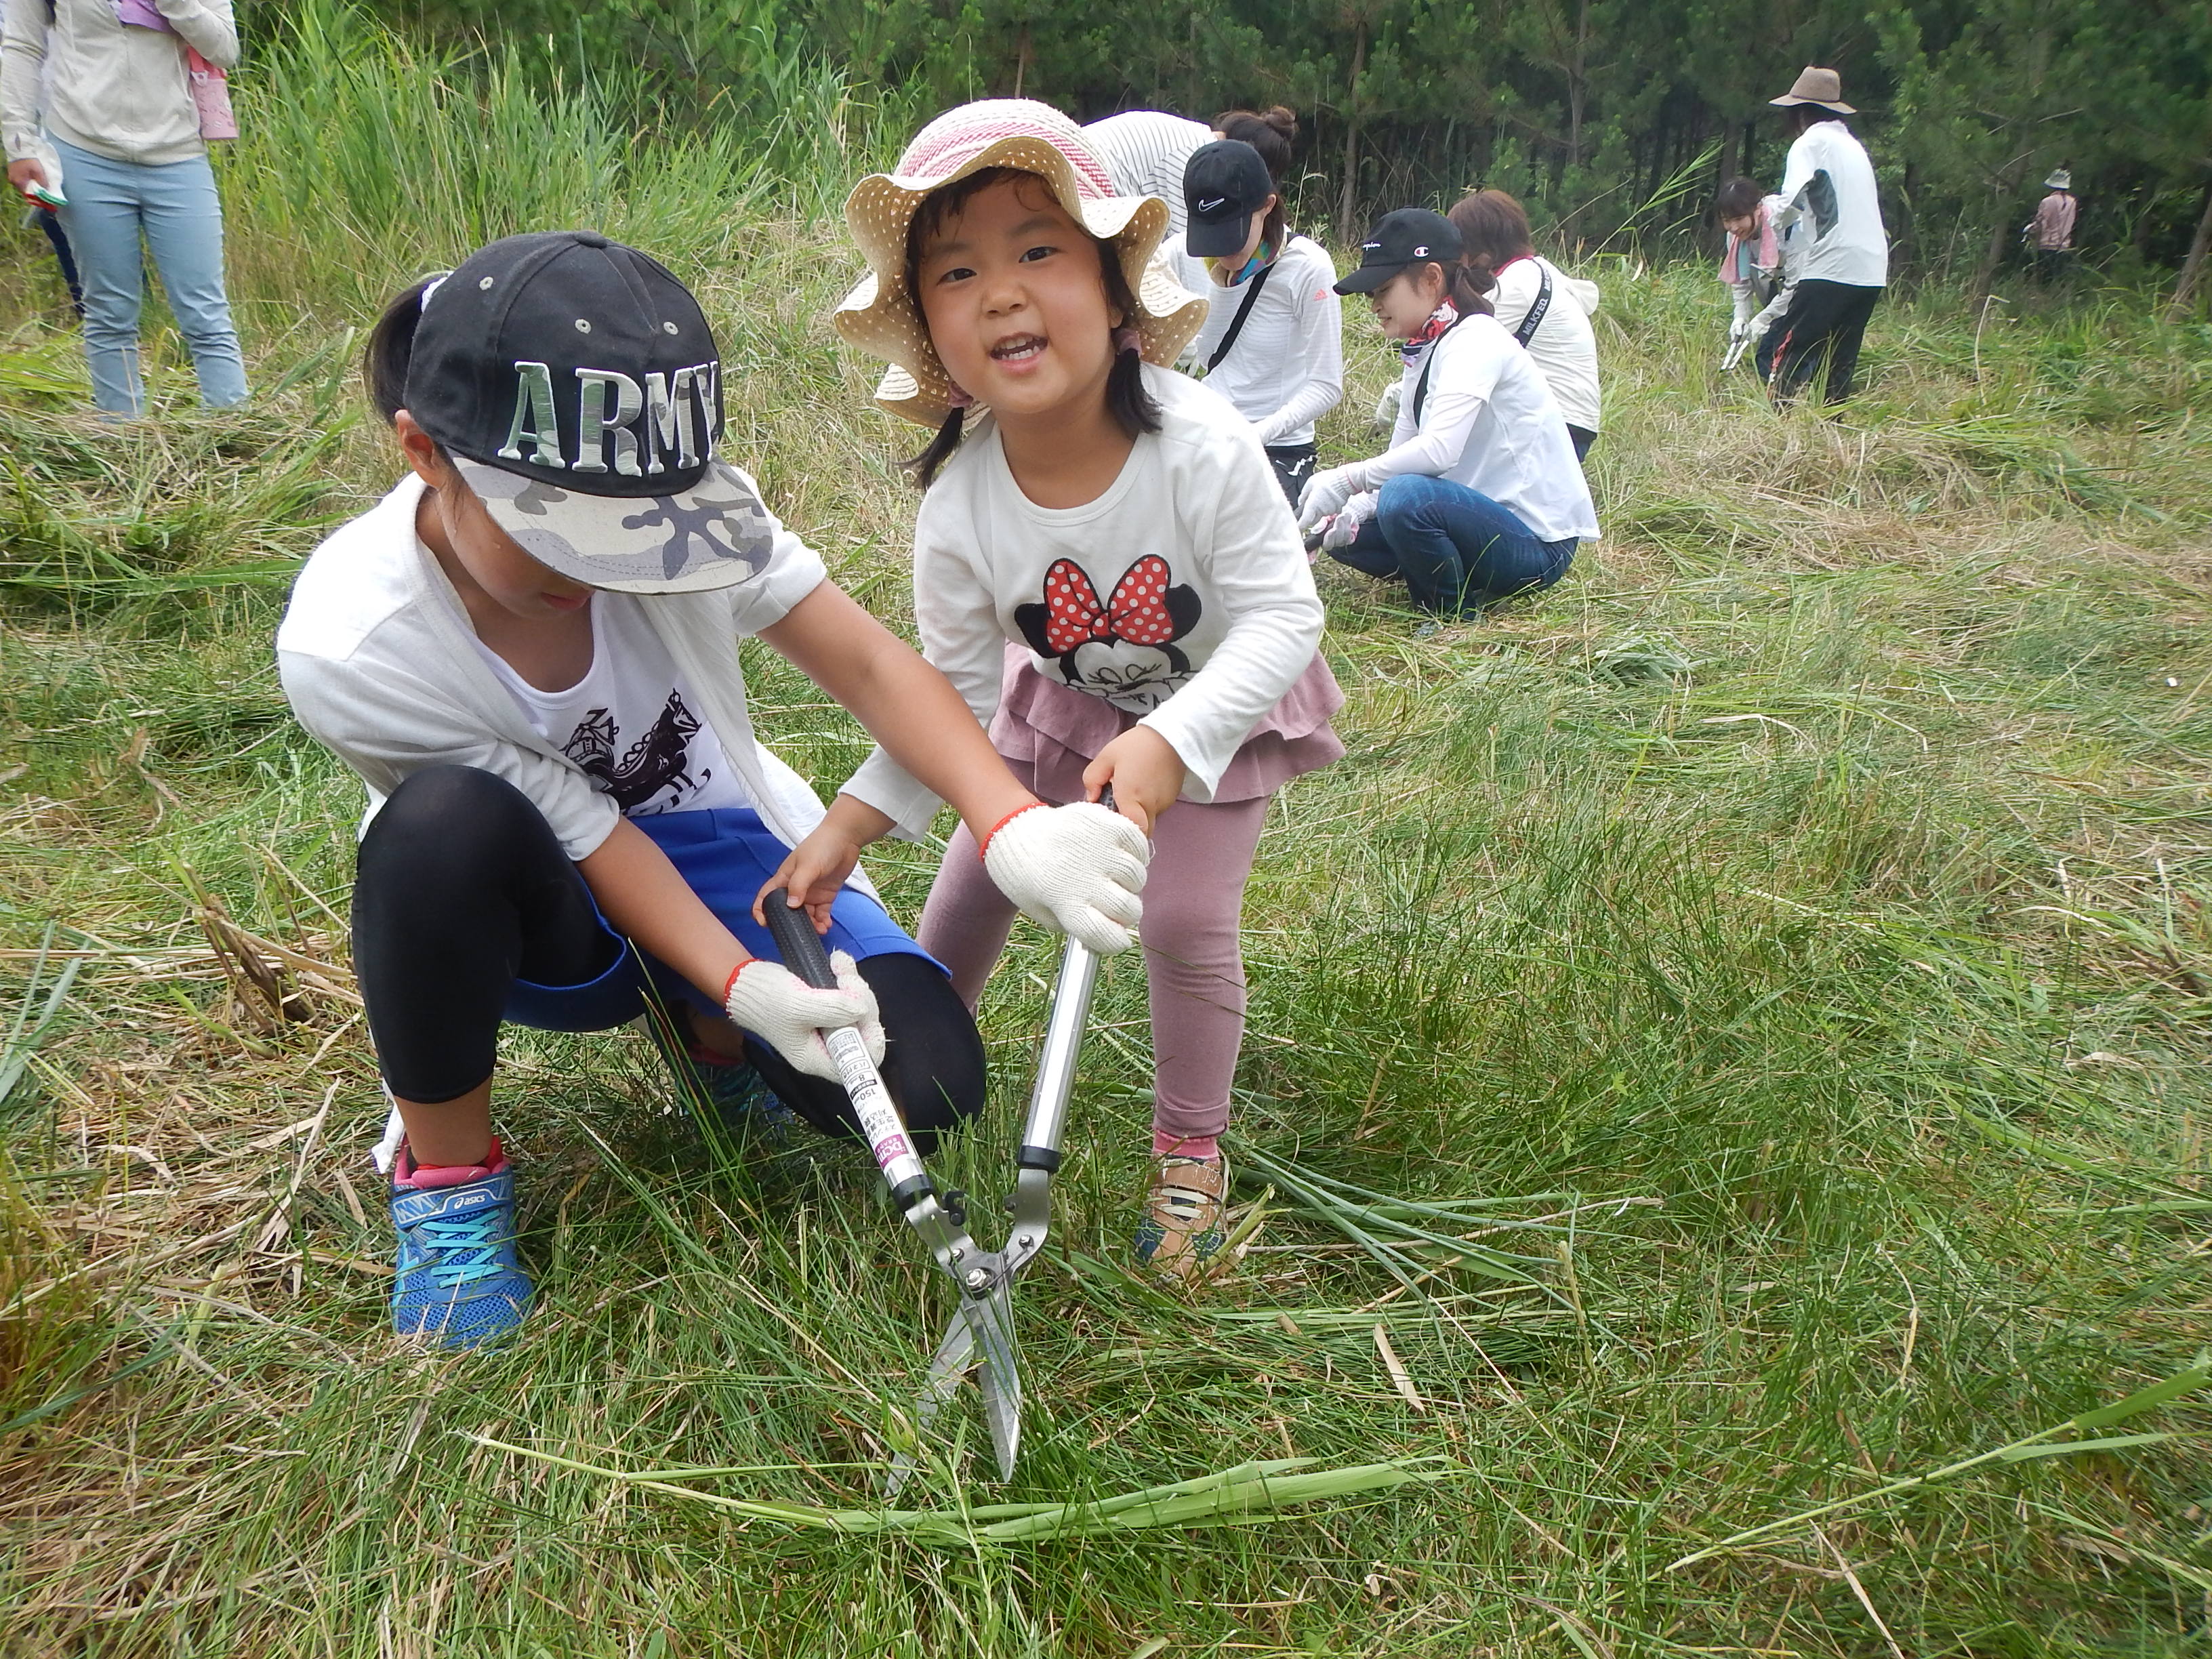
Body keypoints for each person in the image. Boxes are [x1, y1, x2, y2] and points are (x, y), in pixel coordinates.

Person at [276, 231, 1147, 1349]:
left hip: (716, 835)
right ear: (424, 453)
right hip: (518, 890)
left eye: (624, 534)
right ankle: (447, 1176)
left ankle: (709, 1046)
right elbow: (586, 830)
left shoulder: (692, 509)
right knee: (435, 826)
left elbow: (874, 666)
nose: (595, 571)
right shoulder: (357, 643)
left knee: (926, 1073)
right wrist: (744, 979)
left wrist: (1010, 820)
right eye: (556, 531)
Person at [825, 100, 1345, 1284]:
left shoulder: (1200, 444)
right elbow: (945, 696)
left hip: (1218, 702)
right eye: (955, 272)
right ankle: (913, 1084)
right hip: (1058, 703)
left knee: (1176, 918)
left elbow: (1283, 616)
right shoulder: (958, 500)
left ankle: (1187, 1153)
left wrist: (1171, 738)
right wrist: (850, 822)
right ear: (933, 340)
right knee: (976, 870)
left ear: (1115, 290)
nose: (1000, 291)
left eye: (1037, 250)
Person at [1299, 208, 1598, 619]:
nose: (1375, 306)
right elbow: (1402, 451)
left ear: (1431, 278)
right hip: (1480, 522)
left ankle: (1450, 613)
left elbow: (1439, 452)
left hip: (1534, 543)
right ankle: (1454, 575)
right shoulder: (1423, 350)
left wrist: (1348, 478)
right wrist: (1353, 508)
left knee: (1405, 498)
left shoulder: (1476, 338)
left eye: (1383, 290)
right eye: (1371, 295)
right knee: (1354, 535)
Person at [1, 0, 248, 415]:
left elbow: (225, 48)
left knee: (205, 311)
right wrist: (20, 143)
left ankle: (234, 439)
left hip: (178, 153)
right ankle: (123, 441)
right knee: (109, 311)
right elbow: (23, 46)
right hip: (83, 148)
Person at [1179, 125, 1343, 506]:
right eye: (1210, 235)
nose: (1222, 252)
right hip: (1205, 434)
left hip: (1275, 449)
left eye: (1231, 234)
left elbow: (1327, 385)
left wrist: (1255, 434)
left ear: (1267, 206)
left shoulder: (1307, 268)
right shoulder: (1185, 255)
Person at [1754, 66, 1887, 406]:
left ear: (1799, 113)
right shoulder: (1854, 146)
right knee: (1840, 359)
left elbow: (1789, 203)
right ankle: (1833, 428)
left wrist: (1770, 217)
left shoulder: (1810, 142)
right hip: (1871, 269)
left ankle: (1778, 425)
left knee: (1790, 345)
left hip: (1831, 262)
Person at [1446, 188, 1602, 460]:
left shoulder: (1515, 288)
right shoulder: (1538, 271)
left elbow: (1450, 358)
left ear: (1483, 251)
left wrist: (1389, 408)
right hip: (1570, 425)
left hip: (1554, 428)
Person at [1715, 175, 1787, 365]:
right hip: (1774, 294)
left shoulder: (1783, 228)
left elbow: (1797, 287)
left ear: (1757, 209)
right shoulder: (1736, 238)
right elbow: (1741, 283)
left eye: (1739, 218)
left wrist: (1762, 321)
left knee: (1773, 357)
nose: (1733, 227)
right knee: (1768, 354)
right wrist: (1740, 318)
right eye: (1727, 220)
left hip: (1800, 294)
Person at [2028, 167, 2076, 286]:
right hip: (2064, 245)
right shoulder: (2072, 202)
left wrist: (2031, 231)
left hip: (2047, 245)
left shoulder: (2047, 201)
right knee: (2058, 277)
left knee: (2044, 278)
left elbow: (2041, 223)